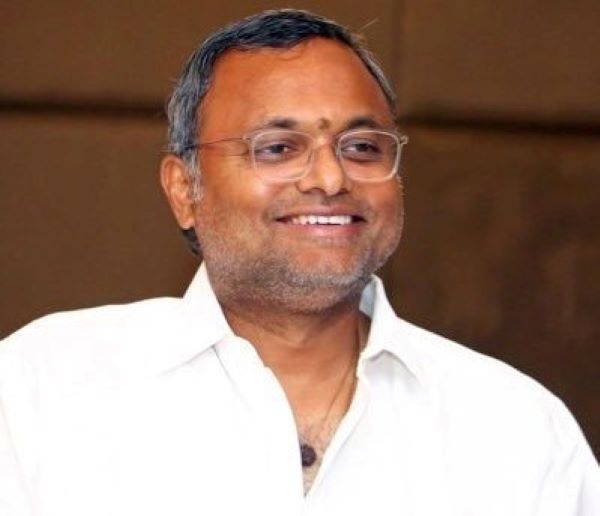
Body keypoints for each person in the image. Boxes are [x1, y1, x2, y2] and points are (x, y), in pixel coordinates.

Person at [0, 9, 598, 516]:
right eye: (278, 148)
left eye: (361, 147)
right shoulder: (42, 391)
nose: (330, 178)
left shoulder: (516, 429)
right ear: (184, 189)